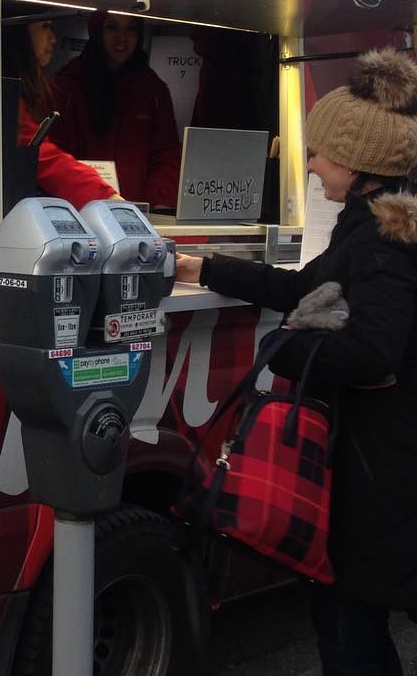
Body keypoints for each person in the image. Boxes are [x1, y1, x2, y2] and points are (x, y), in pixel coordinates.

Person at [176, 48, 417, 676]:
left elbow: (373, 349)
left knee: (345, 624)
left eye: (318, 153)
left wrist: (289, 341)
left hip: (384, 471)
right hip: (380, 463)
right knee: (345, 616)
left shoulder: (388, 243)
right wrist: (204, 267)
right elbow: (305, 286)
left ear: (358, 162)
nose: (309, 165)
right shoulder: (369, 223)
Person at [49, 11, 181, 209]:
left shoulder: (152, 89)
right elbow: (55, 151)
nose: (122, 39)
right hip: (80, 211)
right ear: (97, 31)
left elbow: (166, 155)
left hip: (136, 216)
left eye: (131, 29)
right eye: (112, 27)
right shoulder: (69, 83)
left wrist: (157, 205)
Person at [10, 19, 116, 207]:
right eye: (44, 26)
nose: (53, 38)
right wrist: (103, 195)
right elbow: (42, 158)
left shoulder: (23, 89)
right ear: (19, 33)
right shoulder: (7, 95)